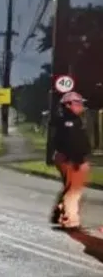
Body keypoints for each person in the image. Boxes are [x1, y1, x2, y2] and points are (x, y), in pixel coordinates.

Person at [51, 91, 91, 229]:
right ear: (68, 105)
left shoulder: (71, 119)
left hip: (69, 158)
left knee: (71, 188)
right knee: (74, 190)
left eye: (81, 103)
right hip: (70, 159)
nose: (81, 105)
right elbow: (72, 143)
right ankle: (70, 220)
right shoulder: (69, 122)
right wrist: (78, 161)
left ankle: (60, 211)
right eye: (77, 103)